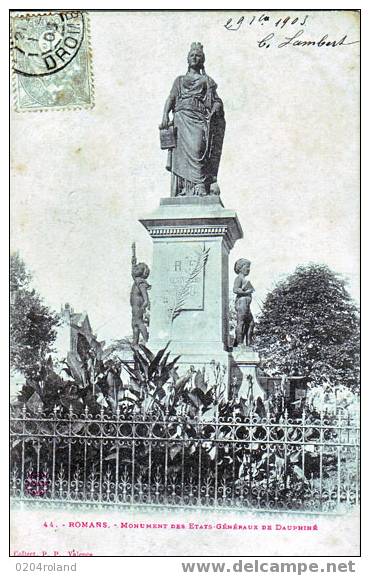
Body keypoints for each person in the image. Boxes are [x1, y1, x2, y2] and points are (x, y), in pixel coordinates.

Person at [159, 42, 225, 197]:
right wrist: (164, 115)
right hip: (181, 119)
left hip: (199, 119)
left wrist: (215, 108)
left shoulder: (207, 81)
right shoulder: (179, 80)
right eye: (192, 55)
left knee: (198, 149)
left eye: (198, 56)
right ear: (187, 59)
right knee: (182, 156)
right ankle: (189, 188)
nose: (195, 58)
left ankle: (200, 182)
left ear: (202, 60)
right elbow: (171, 98)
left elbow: (217, 100)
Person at [233, 258, 255, 347]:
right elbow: (235, 289)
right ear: (241, 268)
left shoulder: (244, 279)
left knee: (251, 323)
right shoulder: (239, 278)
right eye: (247, 267)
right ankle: (240, 343)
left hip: (246, 304)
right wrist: (246, 292)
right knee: (241, 322)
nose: (248, 269)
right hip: (242, 302)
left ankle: (249, 343)